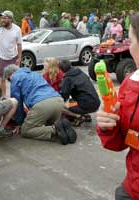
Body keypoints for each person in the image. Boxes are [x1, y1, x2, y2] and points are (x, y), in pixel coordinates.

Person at [96, 12, 139, 200]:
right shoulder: (130, 83)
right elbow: (120, 141)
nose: (130, 48)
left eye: (131, 40)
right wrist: (107, 126)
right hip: (134, 186)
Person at [4, 64, 77, 145]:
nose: (10, 81)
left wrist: (20, 123)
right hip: (58, 101)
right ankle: (62, 126)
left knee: (26, 130)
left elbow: (17, 103)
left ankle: (54, 130)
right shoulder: (34, 74)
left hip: (42, 104)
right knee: (47, 123)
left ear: (11, 74)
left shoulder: (15, 77)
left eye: (8, 79)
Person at [0, 10, 22, 97]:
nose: (2, 20)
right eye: (2, 18)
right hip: (1, 57)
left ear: (10, 19)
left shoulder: (17, 29)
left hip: (13, 57)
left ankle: (15, 97)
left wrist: (19, 58)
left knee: (15, 79)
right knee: (2, 78)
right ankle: (4, 97)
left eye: (5, 18)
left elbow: (19, 45)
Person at [59, 60, 100, 126]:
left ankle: (79, 116)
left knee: (60, 106)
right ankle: (86, 114)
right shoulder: (81, 73)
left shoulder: (68, 78)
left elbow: (64, 96)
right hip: (96, 102)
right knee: (77, 98)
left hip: (87, 105)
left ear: (61, 70)